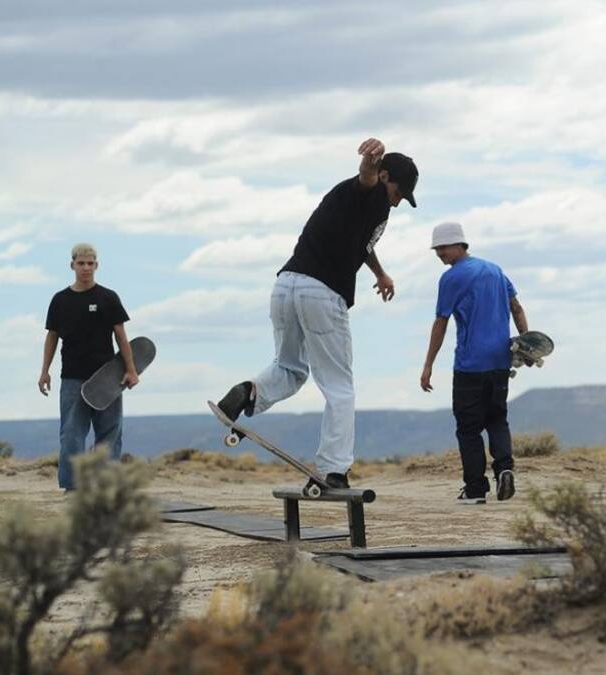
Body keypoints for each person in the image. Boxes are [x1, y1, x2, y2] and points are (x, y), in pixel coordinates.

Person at [216, 138, 418, 494]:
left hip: (286, 285)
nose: (398, 202)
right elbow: (367, 179)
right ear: (386, 177)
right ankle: (333, 471)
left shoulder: (355, 205)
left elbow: (363, 245)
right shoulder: (370, 192)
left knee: (290, 368)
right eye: (399, 193)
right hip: (321, 292)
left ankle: (249, 393)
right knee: (339, 387)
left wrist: (380, 273)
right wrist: (371, 162)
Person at [420, 222, 528, 504]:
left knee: (468, 428)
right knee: (497, 419)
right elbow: (516, 307)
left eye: (443, 247)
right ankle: (504, 469)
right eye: (436, 249)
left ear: (459, 244)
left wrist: (428, 364)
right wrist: (526, 341)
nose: (439, 253)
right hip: (501, 361)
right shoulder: (495, 270)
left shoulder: (451, 278)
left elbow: (441, 321)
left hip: (470, 364)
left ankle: (476, 488)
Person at [39, 243, 139, 491]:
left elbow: (121, 336)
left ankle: (106, 485)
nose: (85, 268)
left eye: (90, 263)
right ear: (72, 265)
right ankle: (72, 487)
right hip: (72, 377)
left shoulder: (108, 297)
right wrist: (44, 371)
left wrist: (131, 369)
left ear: (97, 265)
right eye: (81, 263)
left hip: (107, 376)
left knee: (110, 432)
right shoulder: (60, 300)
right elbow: (52, 337)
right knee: (71, 433)